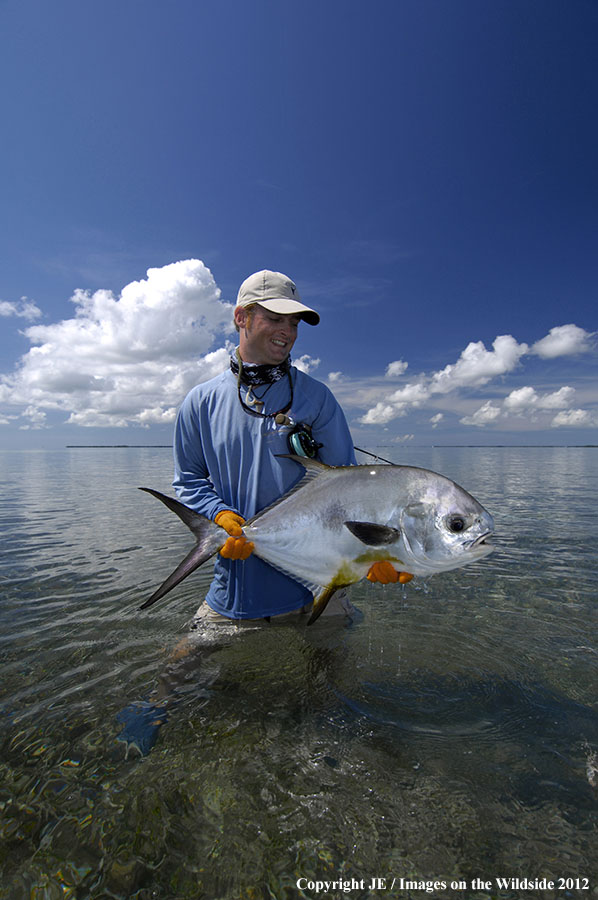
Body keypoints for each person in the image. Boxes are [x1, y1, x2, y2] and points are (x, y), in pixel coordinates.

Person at [172, 269, 359, 626]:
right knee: (180, 662)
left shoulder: (318, 397)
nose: (287, 331)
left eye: (294, 323)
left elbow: (348, 489)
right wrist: (218, 515)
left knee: (334, 665)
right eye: (274, 318)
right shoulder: (200, 402)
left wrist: (380, 553)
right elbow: (189, 480)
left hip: (320, 592)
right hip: (235, 591)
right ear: (241, 317)